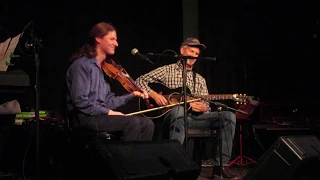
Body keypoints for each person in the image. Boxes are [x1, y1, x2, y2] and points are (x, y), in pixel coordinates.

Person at [135, 37, 239, 179]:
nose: (194, 56)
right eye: (191, 52)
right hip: (172, 116)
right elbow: (139, 80)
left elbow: (207, 104)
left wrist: (203, 107)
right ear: (182, 50)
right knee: (179, 110)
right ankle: (174, 165)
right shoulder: (167, 70)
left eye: (196, 54)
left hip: (195, 118)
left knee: (229, 117)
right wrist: (153, 94)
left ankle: (221, 166)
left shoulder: (200, 79)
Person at [66, 21, 154, 141]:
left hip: (99, 116)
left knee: (147, 124)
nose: (116, 44)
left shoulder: (104, 68)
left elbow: (107, 101)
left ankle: (140, 159)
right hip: (85, 118)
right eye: (112, 39)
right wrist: (109, 112)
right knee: (132, 123)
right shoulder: (82, 65)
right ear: (98, 39)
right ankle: (125, 159)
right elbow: (80, 101)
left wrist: (132, 95)